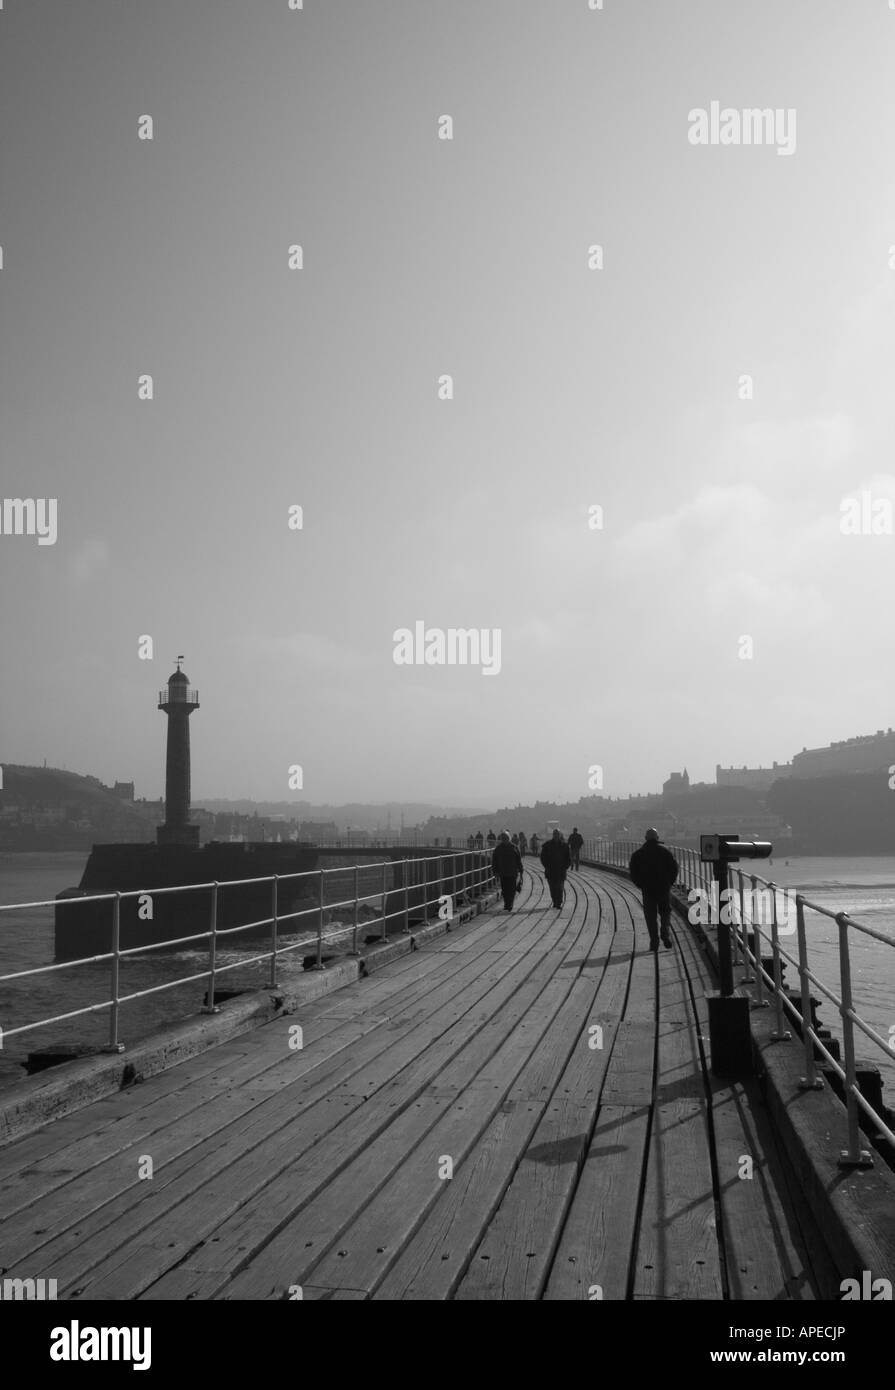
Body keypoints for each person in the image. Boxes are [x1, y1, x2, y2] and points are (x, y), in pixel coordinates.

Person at [628, 827, 679, 951]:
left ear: (645, 838)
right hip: (663, 888)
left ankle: (654, 942)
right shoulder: (666, 852)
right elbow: (674, 869)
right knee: (665, 912)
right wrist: (669, 883)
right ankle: (665, 934)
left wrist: (640, 884)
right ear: (658, 838)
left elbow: (633, 872)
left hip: (648, 889)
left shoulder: (638, 854)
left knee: (650, 916)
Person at [491, 830, 523, 913]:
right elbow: (494, 861)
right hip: (503, 873)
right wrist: (495, 871)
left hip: (512, 873)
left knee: (512, 890)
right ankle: (506, 904)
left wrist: (521, 871)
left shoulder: (514, 848)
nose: (505, 839)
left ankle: (509, 904)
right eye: (503, 838)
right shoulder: (498, 849)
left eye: (506, 838)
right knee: (505, 890)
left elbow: (519, 860)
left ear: (509, 838)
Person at [540, 828, 571, 909]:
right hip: (550, 871)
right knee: (552, 888)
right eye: (555, 834)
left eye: (557, 834)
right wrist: (546, 866)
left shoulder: (565, 846)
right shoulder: (547, 845)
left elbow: (568, 858)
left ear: (560, 835)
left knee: (560, 887)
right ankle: (554, 901)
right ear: (553, 835)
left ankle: (559, 903)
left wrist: (565, 867)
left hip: (561, 871)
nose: (556, 835)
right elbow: (543, 857)